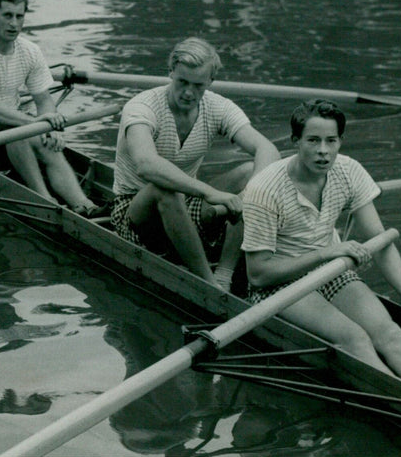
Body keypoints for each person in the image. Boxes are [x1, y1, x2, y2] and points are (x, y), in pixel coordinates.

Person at [241, 99, 401, 411]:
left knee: (389, 332)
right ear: (295, 141)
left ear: (340, 141)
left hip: (331, 270)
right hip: (279, 286)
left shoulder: (349, 171)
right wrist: (326, 253)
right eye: (313, 141)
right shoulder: (265, 189)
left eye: (331, 140)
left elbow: (381, 242)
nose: (323, 151)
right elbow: (257, 274)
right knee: (354, 338)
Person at [111, 37, 281, 290]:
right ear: (170, 72)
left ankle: (225, 273)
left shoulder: (218, 107)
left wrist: (250, 195)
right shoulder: (142, 107)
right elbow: (146, 165)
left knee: (253, 174)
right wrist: (212, 193)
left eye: (198, 85)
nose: (189, 92)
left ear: (210, 82)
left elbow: (267, 149)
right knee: (164, 188)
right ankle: (208, 284)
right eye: (182, 82)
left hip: (185, 199)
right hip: (134, 210)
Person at [0, 0, 103, 215]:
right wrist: (35, 124)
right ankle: (45, 200)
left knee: (47, 142)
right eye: (7, 16)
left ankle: (85, 206)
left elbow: (44, 101)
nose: (14, 24)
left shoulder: (30, 50)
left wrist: (50, 128)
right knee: (19, 129)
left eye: (20, 16)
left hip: (13, 123)